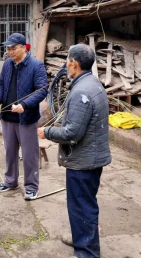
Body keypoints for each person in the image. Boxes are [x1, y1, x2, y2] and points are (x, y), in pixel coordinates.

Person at [37, 44, 111, 258]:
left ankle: (87, 251)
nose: (65, 63)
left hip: (83, 161)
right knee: (85, 203)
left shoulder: (81, 92)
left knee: (81, 207)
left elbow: (72, 133)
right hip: (92, 157)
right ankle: (82, 239)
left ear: (74, 63)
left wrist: (47, 131)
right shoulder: (92, 83)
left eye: (67, 59)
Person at [0, 33, 48, 200]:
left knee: (29, 154)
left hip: (26, 118)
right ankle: (10, 181)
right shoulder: (8, 64)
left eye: (14, 48)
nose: (10, 52)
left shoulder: (36, 66)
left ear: (24, 47)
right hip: (7, 116)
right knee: (10, 152)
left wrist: (24, 105)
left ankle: (31, 186)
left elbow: (42, 90)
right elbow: (1, 83)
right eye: (8, 49)